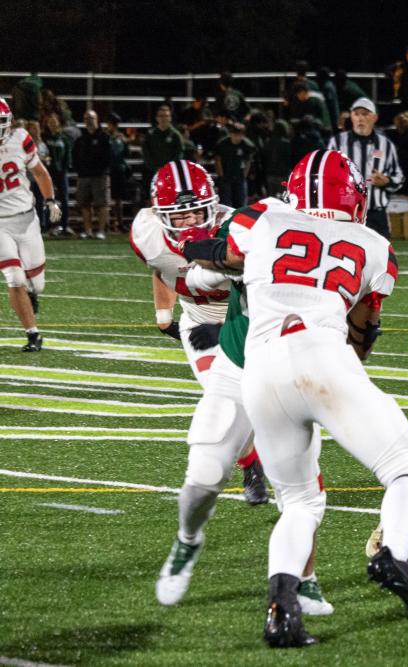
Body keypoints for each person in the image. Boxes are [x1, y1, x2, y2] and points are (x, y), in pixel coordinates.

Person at [188, 149, 408, 646]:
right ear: (355, 198)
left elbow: (222, 253)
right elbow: (363, 329)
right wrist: (344, 383)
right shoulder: (373, 244)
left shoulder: (262, 217)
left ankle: (281, 610)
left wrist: (200, 248)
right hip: (323, 355)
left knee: (300, 503)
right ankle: (394, 553)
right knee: (407, 469)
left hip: (260, 371)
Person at [156, 191, 334, 620]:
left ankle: (303, 577)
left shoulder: (362, 246)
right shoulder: (258, 218)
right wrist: (219, 273)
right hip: (237, 365)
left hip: (295, 373)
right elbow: (194, 278)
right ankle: (188, 539)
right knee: (203, 473)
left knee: (301, 493)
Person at [129, 159, 268, 508]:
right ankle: (251, 465)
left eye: (197, 211)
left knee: (270, 401)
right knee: (224, 402)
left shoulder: (237, 228)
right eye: (179, 215)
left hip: (248, 316)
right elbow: (161, 269)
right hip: (198, 320)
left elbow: (263, 286)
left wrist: (224, 329)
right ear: (160, 214)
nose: (190, 221)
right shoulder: (146, 235)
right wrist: (164, 316)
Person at [0, 96, 61, 352]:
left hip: (26, 218)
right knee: (14, 278)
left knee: (37, 284)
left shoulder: (20, 138)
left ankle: (32, 293)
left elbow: (39, 172)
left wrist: (50, 201)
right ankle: (33, 334)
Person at [328, 97, 403, 240]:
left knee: (380, 260)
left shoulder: (385, 145)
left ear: (374, 117)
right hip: (345, 214)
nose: (360, 118)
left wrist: (386, 181)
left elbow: (398, 177)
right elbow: (325, 177)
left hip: (376, 215)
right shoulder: (337, 143)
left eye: (365, 114)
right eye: (357, 114)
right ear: (351, 117)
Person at [73, 110, 113, 239]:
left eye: (91, 118)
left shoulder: (104, 137)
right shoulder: (81, 139)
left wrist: (102, 170)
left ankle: (101, 230)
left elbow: (109, 157)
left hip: (100, 176)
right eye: (86, 118)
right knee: (84, 204)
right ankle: (88, 230)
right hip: (84, 175)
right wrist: (79, 170)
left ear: (97, 119)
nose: (88, 120)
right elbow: (75, 156)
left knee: (102, 204)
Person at [214, 122, 257, 208]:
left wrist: (244, 176)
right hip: (226, 177)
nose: (237, 137)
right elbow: (217, 160)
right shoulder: (222, 144)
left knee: (240, 204)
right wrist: (221, 175)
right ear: (231, 134)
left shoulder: (247, 145)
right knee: (225, 204)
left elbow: (248, 162)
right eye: (235, 134)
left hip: (239, 177)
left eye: (240, 135)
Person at [142, 104, 184, 189]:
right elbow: (146, 152)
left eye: (166, 116)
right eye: (161, 116)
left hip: (171, 172)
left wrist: (168, 168)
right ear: (157, 118)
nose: (163, 118)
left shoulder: (175, 135)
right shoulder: (150, 134)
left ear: (170, 118)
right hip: (153, 171)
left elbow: (179, 153)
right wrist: (154, 167)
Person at [42, 114, 70, 236]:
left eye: (54, 122)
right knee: (49, 199)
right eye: (50, 122)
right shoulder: (45, 137)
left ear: (58, 123)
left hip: (61, 172)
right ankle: (48, 225)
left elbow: (67, 155)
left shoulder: (63, 138)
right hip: (49, 172)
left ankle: (64, 225)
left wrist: (65, 167)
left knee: (64, 199)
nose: (52, 124)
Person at [107, 113, 132, 232]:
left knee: (118, 198)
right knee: (107, 198)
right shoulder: (106, 136)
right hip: (108, 169)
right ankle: (109, 222)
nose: (113, 126)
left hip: (118, 169)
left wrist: (126, 143)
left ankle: (119, 222)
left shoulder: (119, 137)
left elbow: (126, 153)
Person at [262, 119, 292, 196]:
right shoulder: (286, 143)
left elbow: (264, 158)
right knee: (282, 198)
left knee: (271, 198)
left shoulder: (268, 142)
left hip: (270, 174)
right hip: (283, 174)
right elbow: (289, 159)